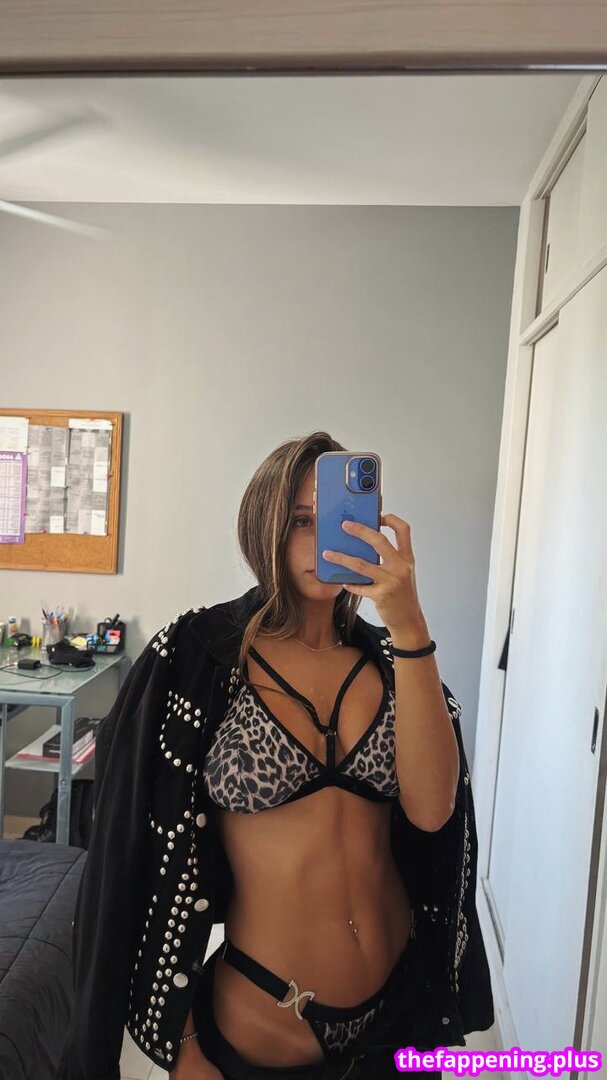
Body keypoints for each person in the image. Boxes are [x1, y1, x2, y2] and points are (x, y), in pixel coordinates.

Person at [55, 430, 493, 1080]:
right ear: (263, 527)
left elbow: (433, 812)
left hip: (398, 1015)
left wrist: (410, 626)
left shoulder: (395, 660)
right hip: (265, 1016)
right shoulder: (198, 656)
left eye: (339, 519)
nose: (322, 542)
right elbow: (126, 849)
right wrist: (183, 1044)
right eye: (299, 522)